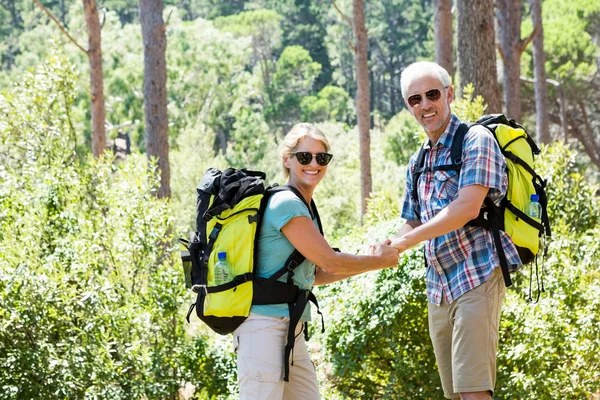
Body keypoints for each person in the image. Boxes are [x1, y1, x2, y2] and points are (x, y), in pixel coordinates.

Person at [385, 61, 521, 399]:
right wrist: (388, 245)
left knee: (474, 392)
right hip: (438, 288)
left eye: (432, 94)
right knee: (456, 394)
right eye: (415, 99)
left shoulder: (476, 140)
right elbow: (412, 220)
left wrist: (404, 244)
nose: (425, 105)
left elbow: (465, 208)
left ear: (449, 94)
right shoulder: (417, 162)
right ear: (409, 106)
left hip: (476, 277)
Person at [233, 123, 399, 400]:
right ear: (287, 160)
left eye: (321, 158)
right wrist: (376, 261)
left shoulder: (305, 205)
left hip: (290, 328)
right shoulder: (286, 204)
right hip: (263, 328)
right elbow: (329, 261)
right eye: (304, 156)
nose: (314, 164)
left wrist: (367, 262)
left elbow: (317, 273)